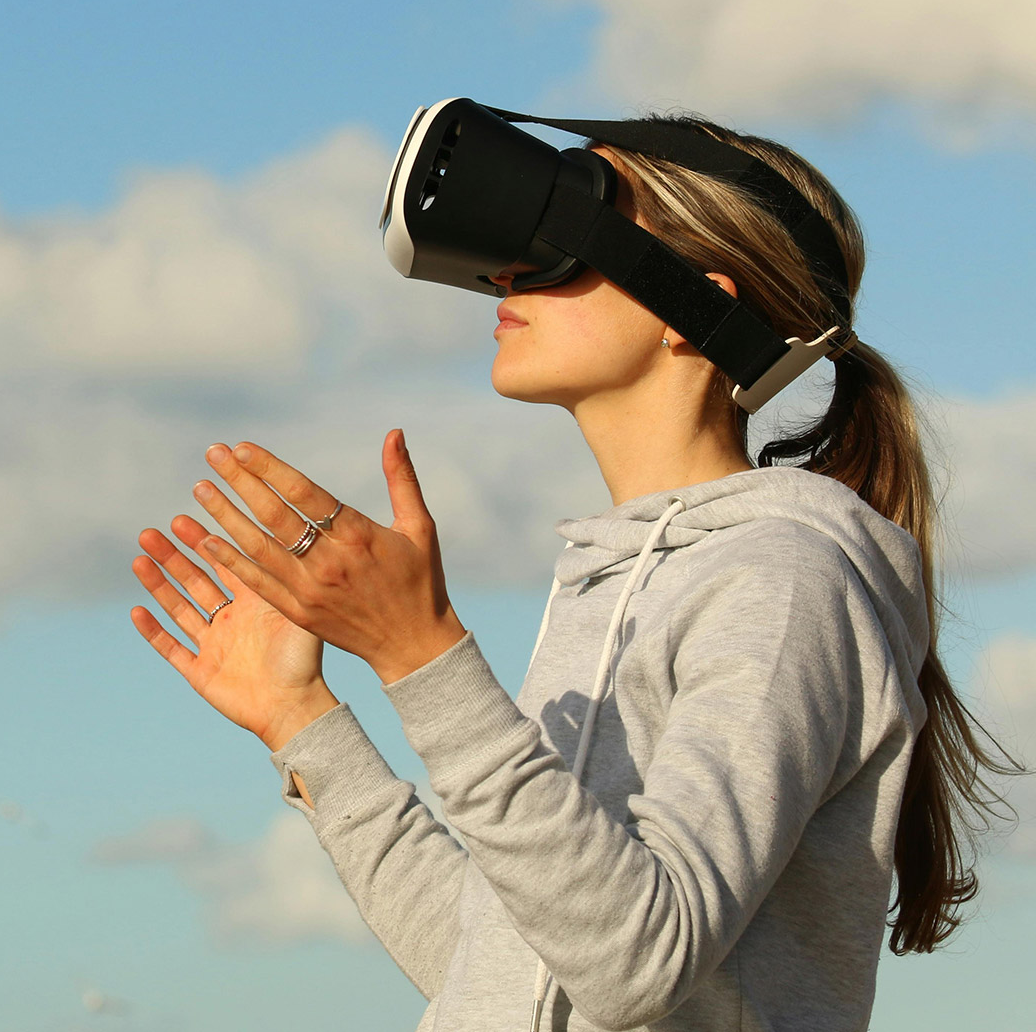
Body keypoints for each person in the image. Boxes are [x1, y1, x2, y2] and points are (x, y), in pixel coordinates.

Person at [127, 116, 1022, 1032]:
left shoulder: (785, 581)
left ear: (693, 306)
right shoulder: (606, 582)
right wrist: (301, 722)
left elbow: (640, 964)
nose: (505, 271)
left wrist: (421, 653)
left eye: (564, 229)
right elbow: (502, 967)